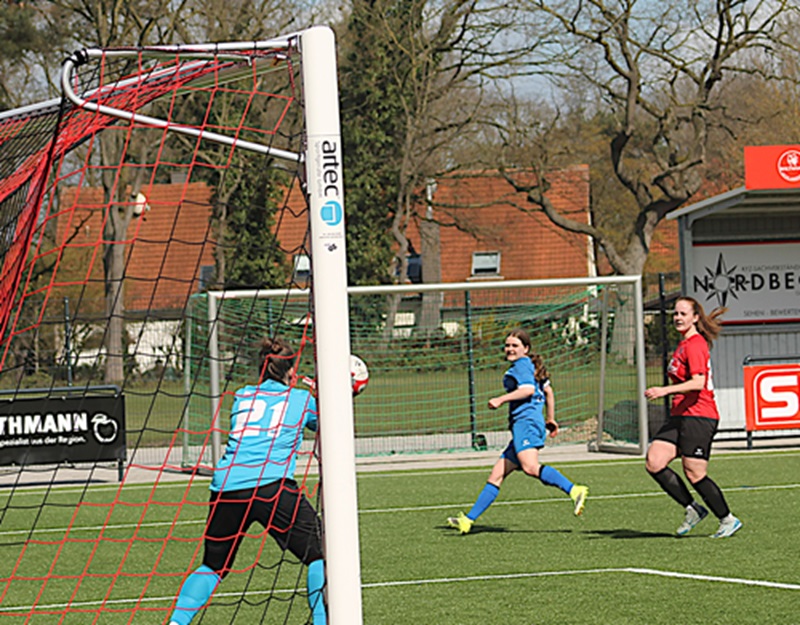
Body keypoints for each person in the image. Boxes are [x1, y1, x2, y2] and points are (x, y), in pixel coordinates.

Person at [168, 337, 326, 624]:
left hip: (226, 487)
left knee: (213, 566)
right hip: (272, 487)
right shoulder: (302, 400)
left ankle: (176, 623)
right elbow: (328, 422)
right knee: (321, 554)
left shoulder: (242, 396)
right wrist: (328, 394)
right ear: (291, 370)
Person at [447, 329, 588, 534]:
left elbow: (528, 390)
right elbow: (548, 392)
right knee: (496, 475)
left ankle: (575, 490)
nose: (510, 349)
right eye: (507, 345)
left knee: (530, 467)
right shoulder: (531, 366)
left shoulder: (521, 366)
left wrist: (500, 399)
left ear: (526, 349)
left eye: (515, 345)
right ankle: (468, 520)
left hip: (526, 423)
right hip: (528, 423)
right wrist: (550, 418)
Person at [644, 296, 741, 539]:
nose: (677, 317)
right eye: (675, 313)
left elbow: (698, 383)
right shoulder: (683, 345)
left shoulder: (695, 344)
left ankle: (727, 519)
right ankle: (693, 509)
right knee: (654, 461)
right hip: (680, 415)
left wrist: (663, 390)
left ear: (695, 317)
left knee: (695, 473)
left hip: (699, 415)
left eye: (683, 314)